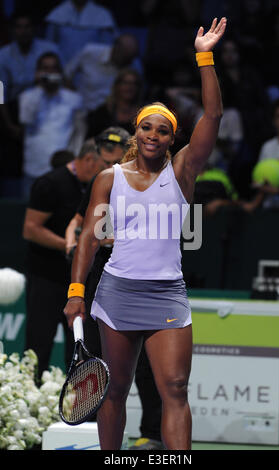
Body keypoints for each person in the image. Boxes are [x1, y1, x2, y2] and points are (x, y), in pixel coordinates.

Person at [64, 17, 227, 450]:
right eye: (147, 127)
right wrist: (77, 292)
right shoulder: (108, 178)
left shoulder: (183, 171)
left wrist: (204, 57)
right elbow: (89, 239)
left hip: (167, 294)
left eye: (164, 130)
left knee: (174, 389)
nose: (154, 134)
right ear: (136, 131)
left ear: (173, 140)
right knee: (113, 391)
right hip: (116, 294)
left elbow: (214, 114)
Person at [65, 127, 164, 449]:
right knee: (99, 360)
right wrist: (73, 241)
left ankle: (152, 433)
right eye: (105, 145)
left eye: (118, 146)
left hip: (147, 277)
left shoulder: (153, 182)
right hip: (102, 274)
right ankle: (94, 433)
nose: (112, 151)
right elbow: (81, 224)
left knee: (149, 365)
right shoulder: (105, 179)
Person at [22, 139, 101, 380]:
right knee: (38, 347)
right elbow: (31, 229)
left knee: (79, 351)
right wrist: (69, 246)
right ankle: (28, 407)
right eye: (102, 165)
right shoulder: (50, 184)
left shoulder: (95, 187)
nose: (104, 172)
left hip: (80, 285)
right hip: (47, 279)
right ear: (88, 160)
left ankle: (78, 411)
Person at [0, 11, 61, 198]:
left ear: (33, 30)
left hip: (46, 102)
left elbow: (62, 78)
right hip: (14, 107)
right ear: (13, 30)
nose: (23, 31)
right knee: (12, 160)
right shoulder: (4, 54)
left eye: (27, 27)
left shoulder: (48, 48)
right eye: (19, 27)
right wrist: (9, 125)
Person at [19, 52, 86, 199]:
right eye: (45, 68)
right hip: (34, 166)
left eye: (53, 68)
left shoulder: (74, 99)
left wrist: (74, 160)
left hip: (63, 168)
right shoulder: (27, 97)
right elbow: (26, 119)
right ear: (38, 72)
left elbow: (79, 134)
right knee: (28, 215)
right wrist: (40, 87)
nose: (49, 72)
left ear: (60, 72)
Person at [240, 99, 279, 212]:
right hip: (270, 210)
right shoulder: (267, 146)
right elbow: (263, 180)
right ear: (274, 121)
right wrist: (254, 204)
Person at [64, 34, 142, 112]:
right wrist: (74, 98)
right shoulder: (90, 52)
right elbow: (66, 74)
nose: (128, 62)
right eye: (126, 58)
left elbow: (138, 92)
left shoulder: (134, 64)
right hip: (84, 110)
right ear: (116, 49)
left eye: (130, 59)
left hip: (113, 115)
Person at [45, 0, 117, 63]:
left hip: (93, 69)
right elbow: (50, 45)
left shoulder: (102, 15)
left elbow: (107, 48)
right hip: (62, 65)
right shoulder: (58, 13)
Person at [87, 68, 143, 138]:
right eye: (125, 83)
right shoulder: (102, 113)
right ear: (117, 86)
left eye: (134, 84)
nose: (129, 87)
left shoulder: (143, 117)